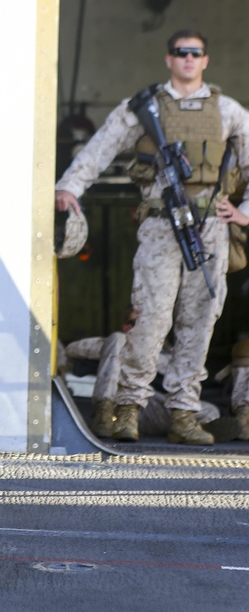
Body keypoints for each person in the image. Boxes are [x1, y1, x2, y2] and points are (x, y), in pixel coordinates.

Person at [55, 28, 249, 445]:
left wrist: (242, 212)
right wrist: (69, 188)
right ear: (168, 59)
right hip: (162, 226)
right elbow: (99, 148)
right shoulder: (142, 108)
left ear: (206, 60)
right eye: (181, 52)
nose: (188, 59)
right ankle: (129, 409)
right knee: (150, 321)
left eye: (196, 53)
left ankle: (183, 414)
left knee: (199, 324)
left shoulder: (228, 111)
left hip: (211, 230)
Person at [65, 308, 219, 439]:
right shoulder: (117, 342)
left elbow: (198, 374)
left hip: (152, 406)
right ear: (126, 327)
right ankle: (103, 412)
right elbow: (72, 350)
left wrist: (148, 354)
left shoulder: (171, 354)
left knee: (211, 411)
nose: (140, 329)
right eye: (134, 323)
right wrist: (122, 347)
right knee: (117, 339)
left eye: (146, 324)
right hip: (122, 402)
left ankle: (184, 429)